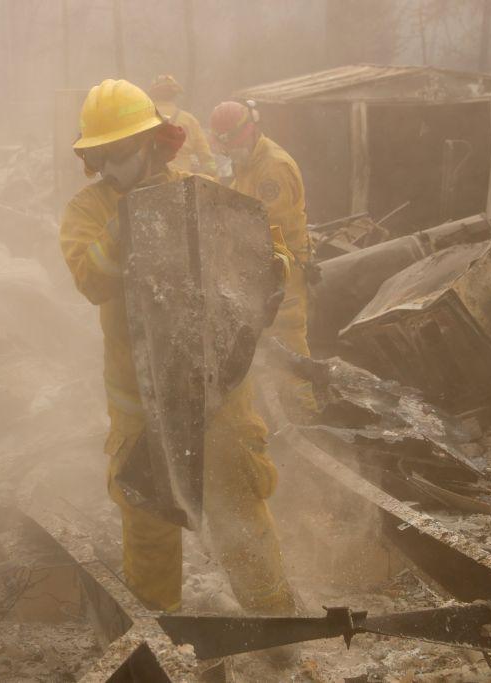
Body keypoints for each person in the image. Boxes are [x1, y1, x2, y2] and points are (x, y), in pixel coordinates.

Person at [60, 79, 298, 616]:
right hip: (140, 402)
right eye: (101, 155)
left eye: (121, 150)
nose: (111, 166)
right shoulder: (88, 210)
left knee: (240, 514)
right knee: (149, 523)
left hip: (215, 390)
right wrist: (128, 222)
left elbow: (266, 241)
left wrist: (273, 268)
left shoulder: (198, 192)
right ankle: (159, 633)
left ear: (152, 142)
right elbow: (90, 280)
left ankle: (278, 631)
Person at [209, 101, 317, 423]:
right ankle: (277, 410)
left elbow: (273, 228)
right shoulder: (248, 162)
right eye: (225, 145)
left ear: (251, 129)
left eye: (234, 143)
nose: (230, 151)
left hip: (282, 261)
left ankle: (305, 414)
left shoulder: (273, 168)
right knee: (265, 340)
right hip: (261, 262)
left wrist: (269, 274)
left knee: (288, 337)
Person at [147, 74, 214, 176]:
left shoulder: (143, 118)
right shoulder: (189, 120)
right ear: (175, 95)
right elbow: (206, 157)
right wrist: (212, 176)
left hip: (147, 180)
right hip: (182, 181)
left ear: (152, 94)